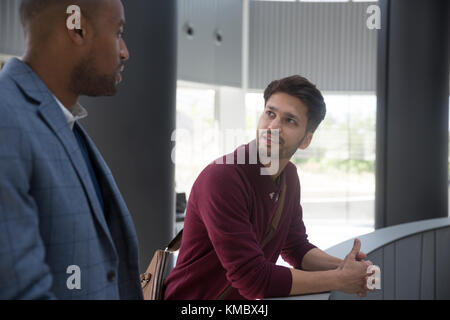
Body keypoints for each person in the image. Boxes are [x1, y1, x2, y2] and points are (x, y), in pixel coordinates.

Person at [164, 75, 373, 300]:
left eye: (290, 120)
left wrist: (345, 267)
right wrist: (339, 279)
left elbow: (295, 247)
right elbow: (253, 279)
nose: (273, 127)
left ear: (306, 140)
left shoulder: (289, 177)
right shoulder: (223, 178)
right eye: (270, 113)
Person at [0, 0, 143, 299]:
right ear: (76, 27)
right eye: (118, 32)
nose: (124, 51)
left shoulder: (62, 122)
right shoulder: (7, 120)